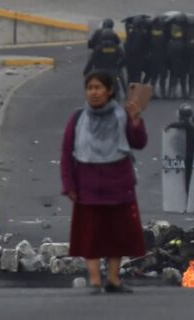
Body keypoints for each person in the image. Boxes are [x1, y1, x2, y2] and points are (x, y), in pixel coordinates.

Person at [60, 71, 147, 294]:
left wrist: (136, 120)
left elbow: (138, 142)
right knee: (91, 235)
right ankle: (95, 280)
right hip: (87, 186)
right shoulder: (77, 118)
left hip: (119, 183)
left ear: (109, 91)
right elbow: (67, 153)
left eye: (98, 87)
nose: (94, 92)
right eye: (90, 88)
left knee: (117, 234)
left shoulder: (123, 115)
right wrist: (69, 185)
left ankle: (114, 279)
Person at [84, 21, 126, 99]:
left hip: (100, 71)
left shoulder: (99, 48)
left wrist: (86, 71)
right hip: (113, 71)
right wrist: (119, 65)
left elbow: (91, 60)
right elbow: (124, 58)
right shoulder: (116, 48)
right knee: (117, 87)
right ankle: (125, 94)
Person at [122, 16, 150, 88]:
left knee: (131, 76)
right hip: (139, 59)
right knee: (139, 75)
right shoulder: (143, 35)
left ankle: (130, 92)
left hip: (130, 59)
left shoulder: (131, 35)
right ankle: (138, 90)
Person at [166, 13, 190, 99]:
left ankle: (171, 92)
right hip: (181, 58)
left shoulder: (171, 30)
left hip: (173, 58)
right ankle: (184, 92)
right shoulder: (185, 31)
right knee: (183, 76)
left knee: (173, 75)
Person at [147, 15, 170, 98]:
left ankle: (152, 92)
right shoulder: (165, 35)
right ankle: (163, 93)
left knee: (154, 77)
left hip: (153, 58)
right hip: (162, 58)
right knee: (162, 77)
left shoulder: (151, 35)